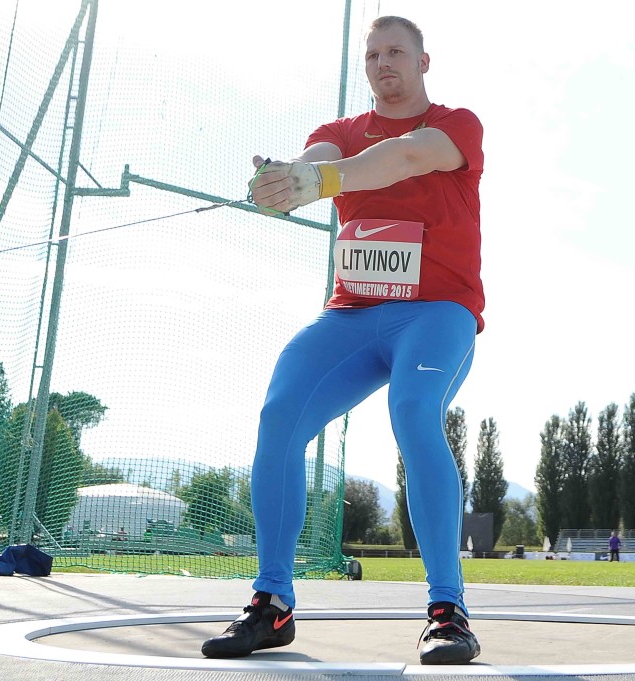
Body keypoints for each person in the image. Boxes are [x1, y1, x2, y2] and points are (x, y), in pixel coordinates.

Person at [201, 16, 484, 665]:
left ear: (423, 62)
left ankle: (448, 611)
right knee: (279, 414)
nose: (384, 63)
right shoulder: (340, 133)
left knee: (413, 411)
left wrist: (324, 181)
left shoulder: (456, 126)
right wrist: (286, 179)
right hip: (352, 316)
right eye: (373, 54)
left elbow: (402, 158)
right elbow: (317, 162)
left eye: (397, 52)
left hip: (436, 313)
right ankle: (272, 604)